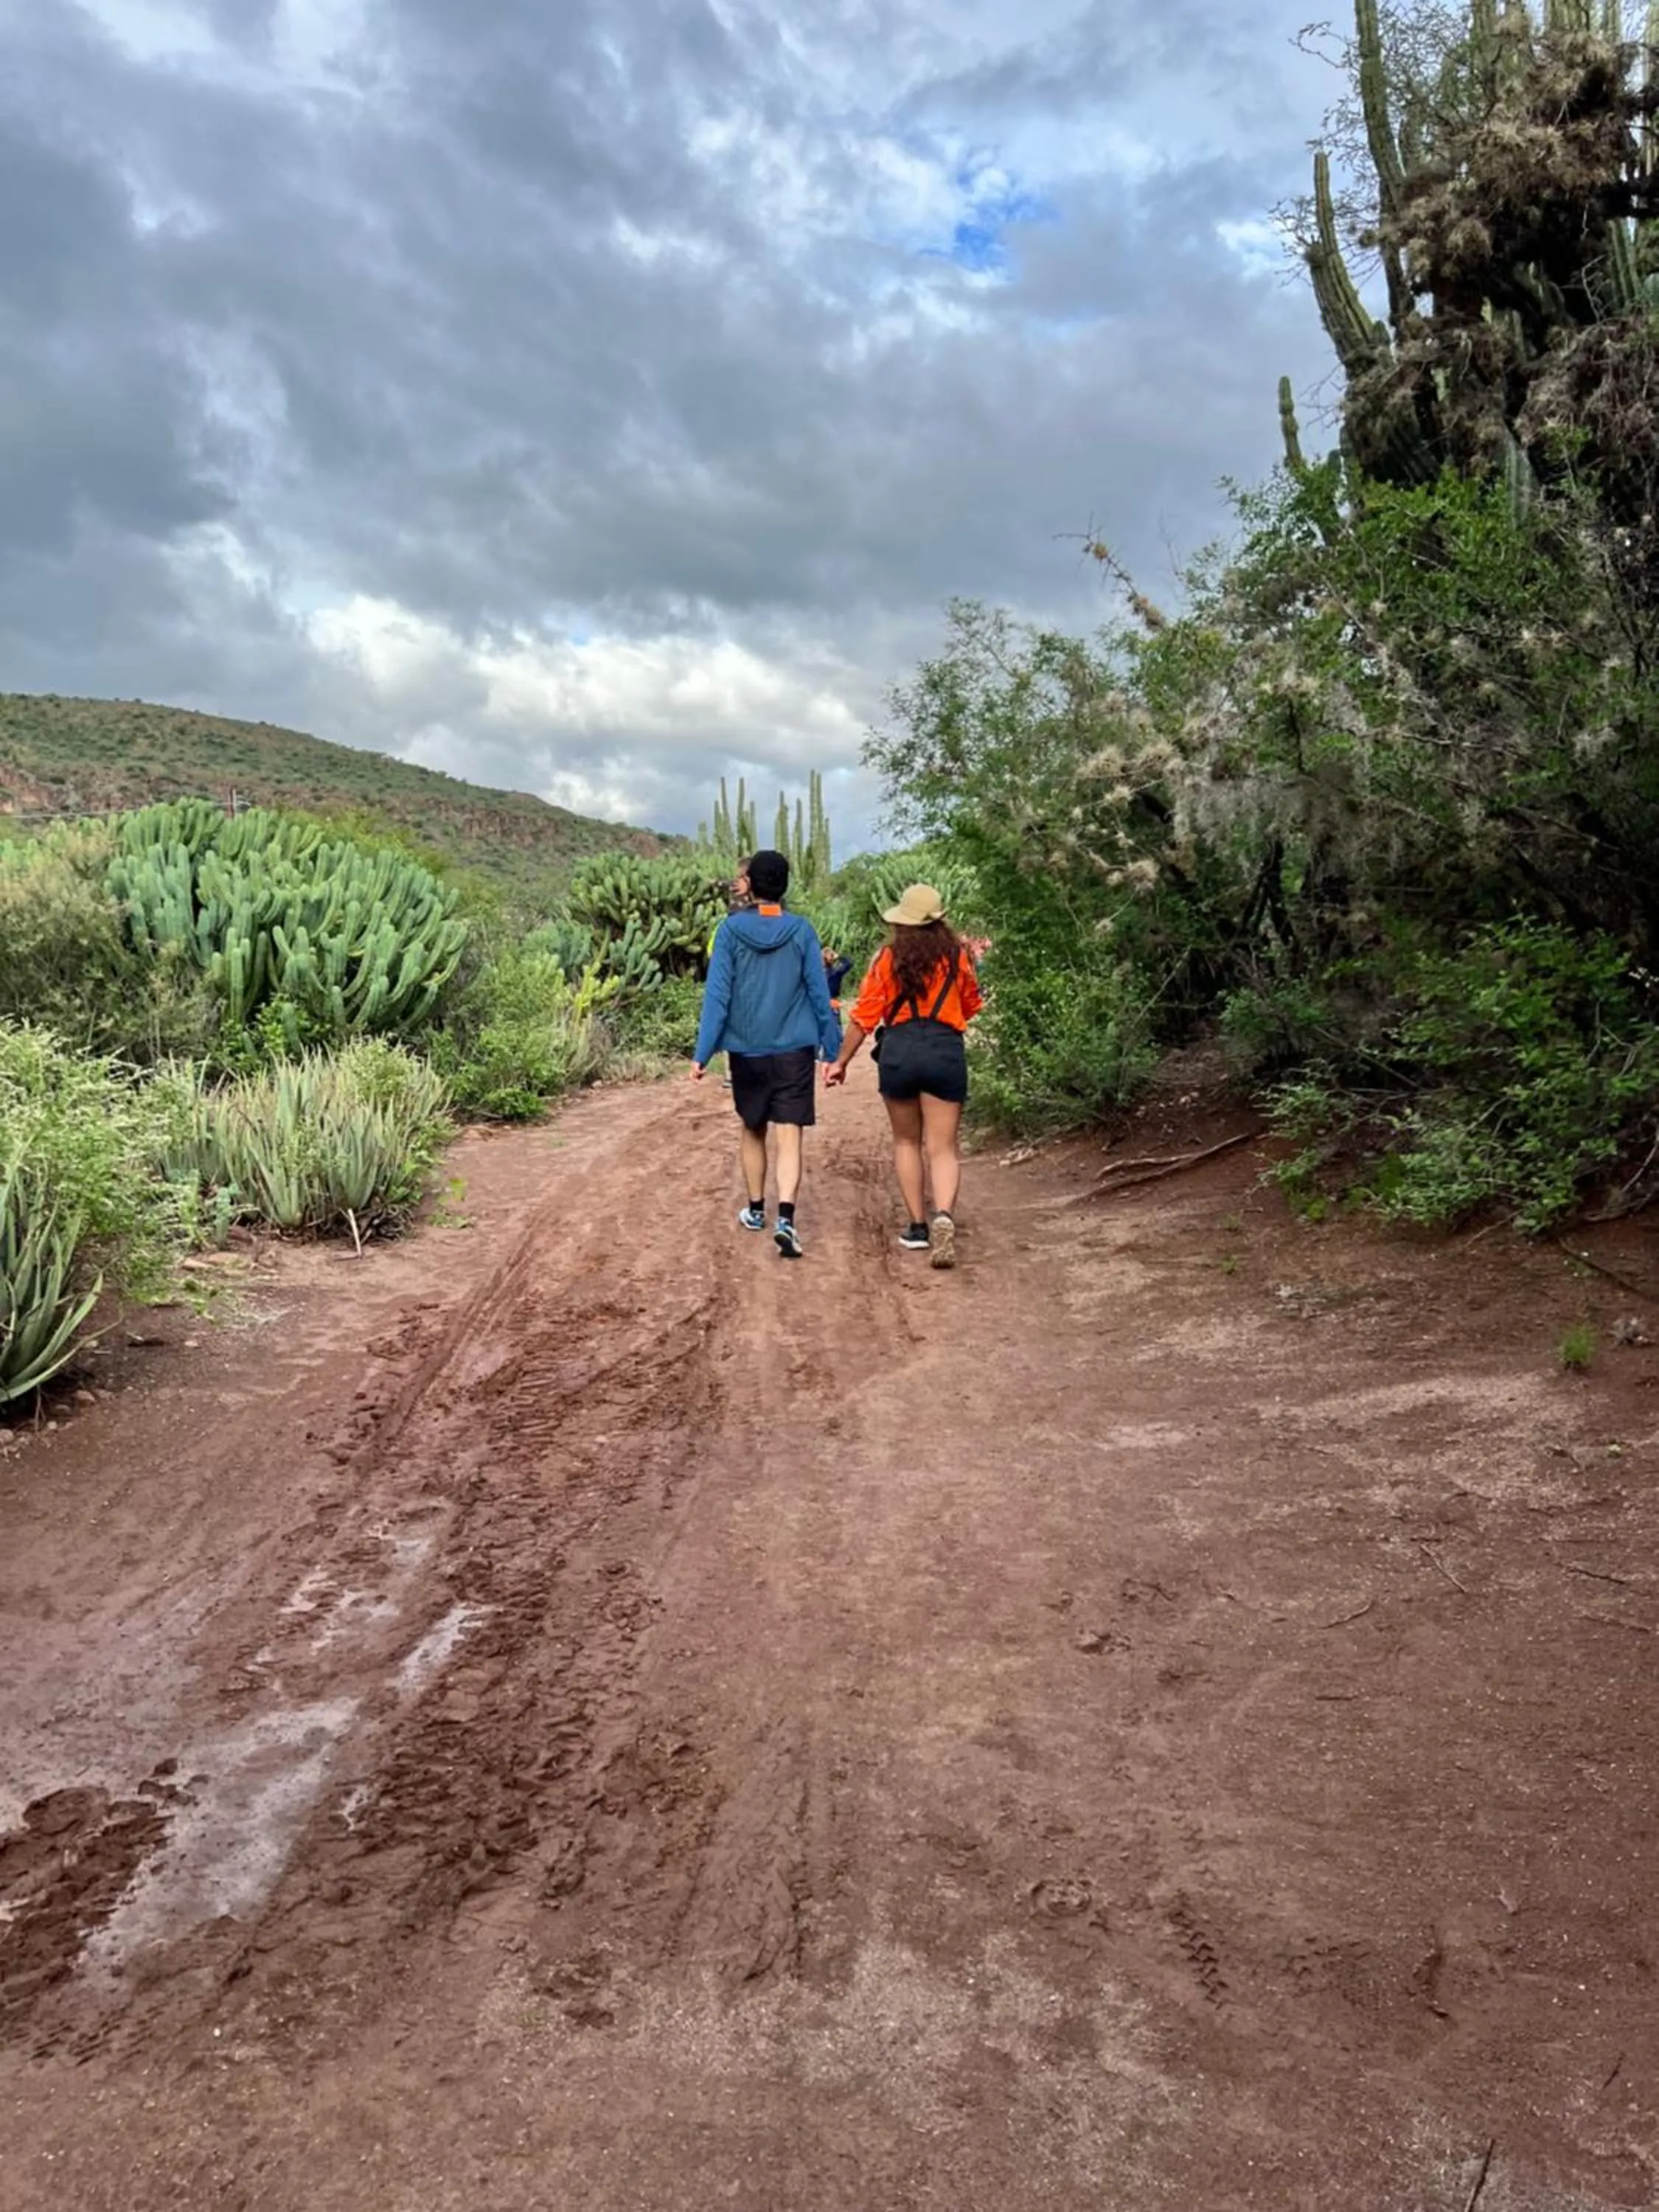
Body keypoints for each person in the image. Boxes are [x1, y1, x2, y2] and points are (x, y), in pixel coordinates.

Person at [692, 849, 841, 1259]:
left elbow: (717, 996)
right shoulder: (802, 931)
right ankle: (787, 1220)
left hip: (747, 1049)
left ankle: (756, 1210)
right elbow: (818, 991)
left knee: (753, 1127)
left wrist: (702, 1053)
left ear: (751, 886)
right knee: (790, 1133)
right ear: (785, 885)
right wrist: (832, 1048)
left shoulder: (730, 931)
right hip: (795, 1048)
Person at [824, 883, 982, 1269]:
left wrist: (840, 1061)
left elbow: (864, 1017)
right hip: (945, 1049)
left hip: (899, 1050)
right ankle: (944, 1214)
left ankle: (917, 1227)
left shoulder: (887, 959)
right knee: (943, 1147)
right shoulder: (959, 957)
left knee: (907, 1142)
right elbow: (971, 1005)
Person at [823, 945, 852, 1009]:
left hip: (821, 1002)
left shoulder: (817, 972)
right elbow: (849, 963)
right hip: (833, 1002)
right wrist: (838, 957)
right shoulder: (836, 972)